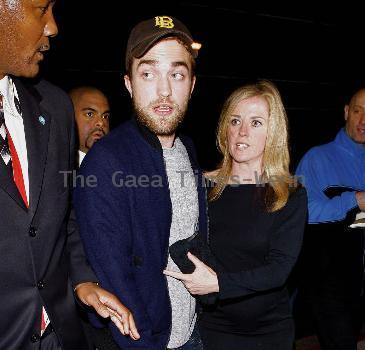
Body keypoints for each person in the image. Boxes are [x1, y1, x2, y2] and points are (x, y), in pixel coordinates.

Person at [0, 1, 139, 349]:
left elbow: (64, 219)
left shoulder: (55, 106)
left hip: (62, 335)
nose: (53, 26)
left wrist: (83, 282)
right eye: (41, 8)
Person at [73, 15, 206, 350]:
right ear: (129, 83)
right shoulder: (106, 161)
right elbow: (114, 275)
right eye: (148, 73)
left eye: (176, 74)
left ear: (191, 84)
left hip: (192, 329)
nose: (164, 91)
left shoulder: (188, 149)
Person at [164, 80, 308, 350]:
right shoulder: (201, 186)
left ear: (273, 132)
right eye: (235, 121)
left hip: (269, 332)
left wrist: (218, 283)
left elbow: (279, 270)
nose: (242, 132)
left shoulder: (289, 194)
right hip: (212, 329)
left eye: (256, 123)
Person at [295, 87, 365, 349]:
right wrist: (353, 200)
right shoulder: (317, 158)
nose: (364, 120)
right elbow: (302, 212)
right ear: (347, 112)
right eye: (358, 111)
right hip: (329, 284)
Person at [69, 86, 110, 166]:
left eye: (105, 116)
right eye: (90, 114)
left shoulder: (119, 165)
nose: (101, 123)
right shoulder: (54, 165)